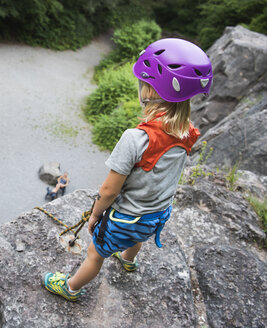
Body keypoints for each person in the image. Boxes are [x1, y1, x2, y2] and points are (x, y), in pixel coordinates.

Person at [42, 38, 212, 301]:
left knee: (95, 254)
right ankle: (128, 261)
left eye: (143, 82)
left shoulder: (135, 138)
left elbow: (109, 190)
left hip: (126, 219)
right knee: (138, 235)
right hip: (157, 215)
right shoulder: (187, 132)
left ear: (150, 90)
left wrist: (95, 215)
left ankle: (71, 287)